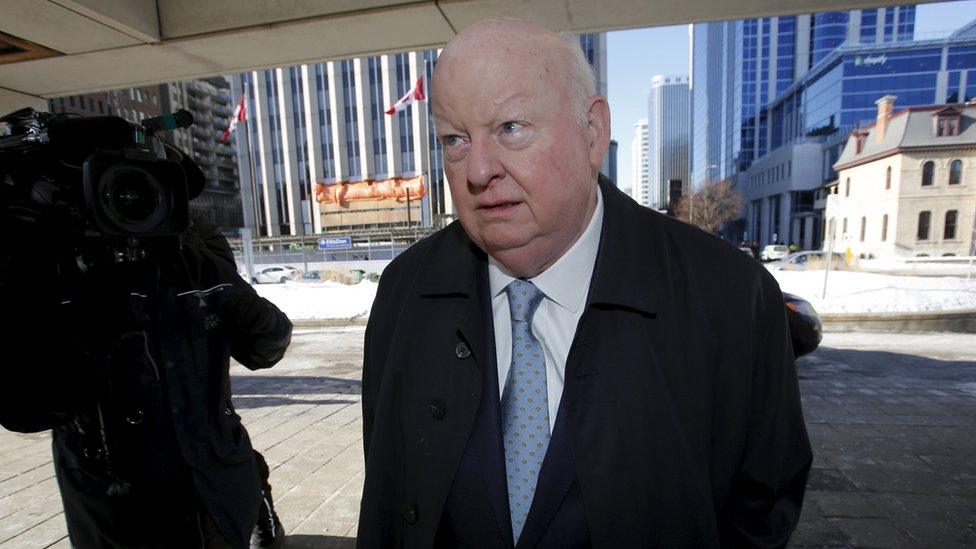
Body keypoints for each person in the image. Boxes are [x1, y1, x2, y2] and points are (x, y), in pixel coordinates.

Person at [358, 18, 812, 548]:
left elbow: (764, 503)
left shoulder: (731, 295)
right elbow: (389, 491)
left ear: (592, 131)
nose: (477, 170)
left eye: (510, 128)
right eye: (454, 139)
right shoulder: (404, 293)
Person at [0, 144, 291, 548]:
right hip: (118, 511)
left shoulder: (192, 244)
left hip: (217, 495)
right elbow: (26, 410)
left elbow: (268, 346)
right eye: (112, 190)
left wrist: (221, 280)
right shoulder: (57, 264)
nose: (129, 205)